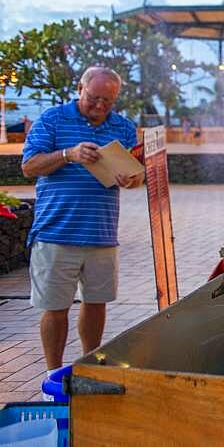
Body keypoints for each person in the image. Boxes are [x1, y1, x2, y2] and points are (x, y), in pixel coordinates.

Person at [20, 66, 144, 382]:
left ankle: (90, 364)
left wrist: (131, 179)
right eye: (94, 98)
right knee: (55, 307)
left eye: (108, 100)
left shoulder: (124, 127)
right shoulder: (52, 119)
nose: (100, 106)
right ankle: (53, 372)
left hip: (101, 233)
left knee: (96, 303)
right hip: (55, 232)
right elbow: (29, 166)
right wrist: (68, 153)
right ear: (80, 88)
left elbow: (137, 174)